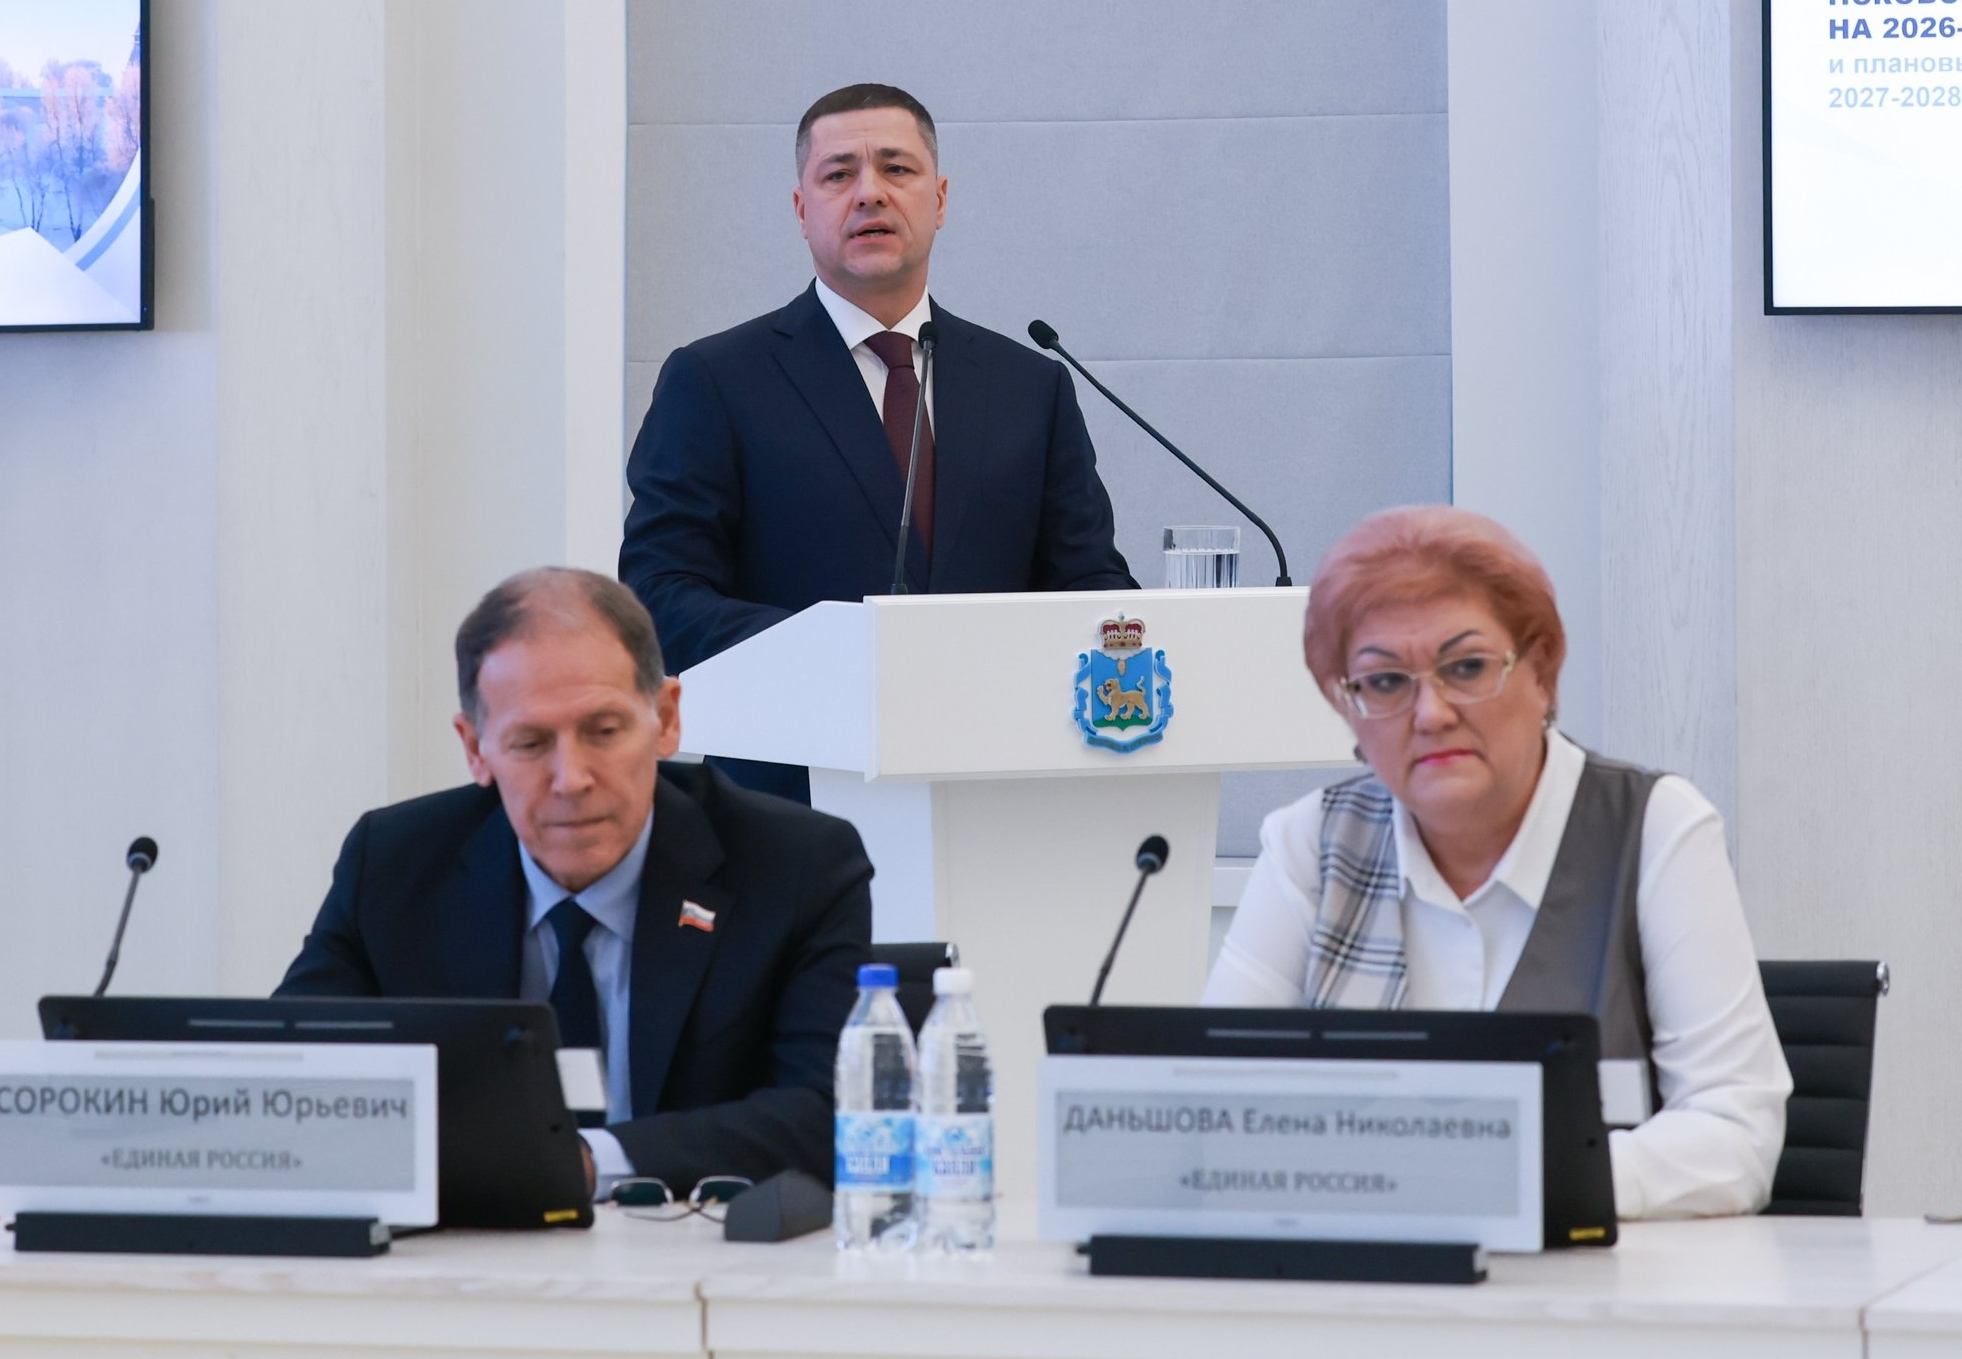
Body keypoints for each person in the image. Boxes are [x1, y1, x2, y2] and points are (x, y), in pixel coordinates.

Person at [1205, 506, 1793, 1220]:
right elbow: (1213, 1108)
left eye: (1466, 668)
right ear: (1346, 706)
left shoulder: (1655, 829)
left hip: (1597, 1279)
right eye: (1385, 681)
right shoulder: (1309, 844)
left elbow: (1735, 1134)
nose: (1430, 713)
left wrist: (1508, 1177)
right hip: (1366, 1280)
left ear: (1541, 672)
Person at [278, 567, 872, 1193]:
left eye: (604, 732)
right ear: (475, 748)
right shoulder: (396, 866)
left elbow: (830, 1114)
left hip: (695, 1240)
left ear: (666, 719)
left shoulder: (796, 865)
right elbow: (283, 1082)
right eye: (531, 743)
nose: (572, 778)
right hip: (469, 1243)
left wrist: (579, 1164)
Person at [618, 81, 1136, 798]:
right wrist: (835, 654)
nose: (869, 192)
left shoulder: (1028, 384)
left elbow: (1090, 586)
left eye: (896, 168)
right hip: (790, 796)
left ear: (940, 199)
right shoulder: (716, 380)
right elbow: (658, 595)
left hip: (996, 792)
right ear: (802, 210)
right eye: (838, 175)